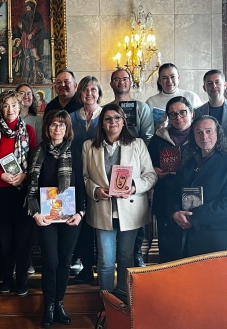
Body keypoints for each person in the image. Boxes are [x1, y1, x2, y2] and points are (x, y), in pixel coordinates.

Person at [83, 103, 157, 298]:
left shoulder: (137, 144)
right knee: (106, 260)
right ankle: (107, 302)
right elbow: (83, 177)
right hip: (102, 209)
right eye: (108, 118)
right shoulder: (89, 146)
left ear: (123, 121)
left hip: (130, 210)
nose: (113, 122)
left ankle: (124, 300)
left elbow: (150, 175)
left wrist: (133, 187)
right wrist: (96, 190)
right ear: (102, 124)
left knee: (126, 257)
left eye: (117, 118)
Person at [26, 110, 85, 327]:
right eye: (53, 124)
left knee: (65, 260)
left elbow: (80, 184)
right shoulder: (38, 152)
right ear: (47, 128)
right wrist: (36, 213)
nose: (57, 129)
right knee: (50, 261)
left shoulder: (75, 152)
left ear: (67, 128)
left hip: (70, 216)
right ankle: (49, 306)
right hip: (45, 216)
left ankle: (60, 303)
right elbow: (31, 186)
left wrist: (80, 213)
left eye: (61, 125)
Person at [172, 115, 227, 258]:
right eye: (199, 132)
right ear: (193, 136)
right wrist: (176, 213)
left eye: (208, 131)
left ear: (218, 134)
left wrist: (193, 218)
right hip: (189, 237)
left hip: (219, 238)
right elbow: (175, 192)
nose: (204, 136)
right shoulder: (188, 162)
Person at [0, 91, 38, 295]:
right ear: (1, 108)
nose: (10, 110)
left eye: (14, 105)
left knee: (23, 237)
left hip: (23, 190)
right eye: (6, 105)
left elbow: (34, 159)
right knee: (3, 237)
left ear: (20, 107)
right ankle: (6, 278)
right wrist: (1, 175)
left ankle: (22, 280)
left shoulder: (29, 131)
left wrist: (25, 175)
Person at [110, 67, 155, 266]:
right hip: (112, 166)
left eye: (125, 79)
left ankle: (136, 253)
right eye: (117, 79)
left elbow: (148, 136)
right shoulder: (108, 108)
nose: (121, 82)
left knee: (135, 211)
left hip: (135, 162)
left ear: (131, 82)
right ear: (111, 84)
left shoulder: (142, 107)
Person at [147, 96, 195, 263]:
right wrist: (154, 172)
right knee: (168, 252)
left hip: (195, 201)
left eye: (182, 112)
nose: (178, 117)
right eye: (173, 114)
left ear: (191, 113)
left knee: (193, 252)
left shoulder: (201, 137)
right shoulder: (158, 139)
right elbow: (146, 167)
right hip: (166, 200)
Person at [69, 75, 103, 283]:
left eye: (93, 90)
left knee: (100, 224)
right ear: (80, 94)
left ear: (99, 93)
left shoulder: (108, 115)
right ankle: (86, 267)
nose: (89, 93)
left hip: (100, 178)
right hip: (76, 177)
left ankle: (103, 267)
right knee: (82, 224)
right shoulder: (71, 118)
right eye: (85, 90)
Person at [194, 70, 227, 147]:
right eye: (209, 83)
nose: (214, 86)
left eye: (217, 82)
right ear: (204, 88)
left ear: (225, 85)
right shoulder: (197, 112)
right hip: (206, 157)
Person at [16, 0, 45, 83]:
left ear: (32, 7)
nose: (28, 9)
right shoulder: (25, 15)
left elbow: (39, 26)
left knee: (35, 55)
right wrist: (21, 27)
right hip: (25, 37)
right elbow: (21, 25)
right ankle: (30, 74)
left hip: (33, 38)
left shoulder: (37, 15)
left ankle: (41, 72)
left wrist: (32, 33)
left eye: (29, 8)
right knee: (27, 56)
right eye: (27, 8)